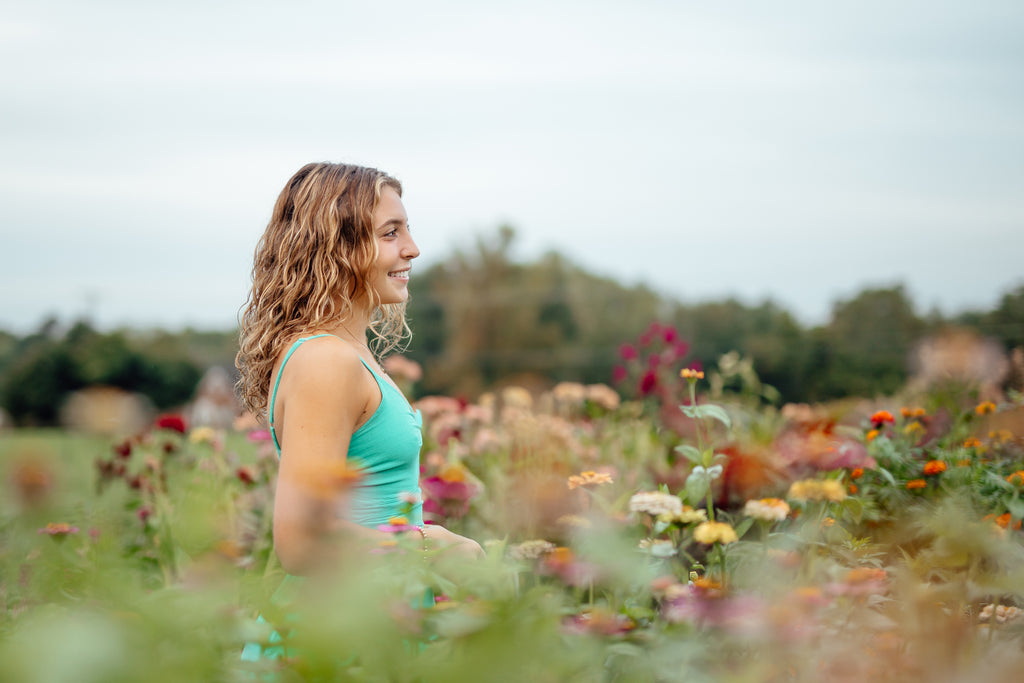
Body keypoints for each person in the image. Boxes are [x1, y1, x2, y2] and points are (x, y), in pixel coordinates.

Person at [235, 162, 482, 660]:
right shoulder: (326, 361)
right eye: (391, 233)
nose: (412, 248)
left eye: (407, 230)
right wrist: (432, 547)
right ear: (338, 248)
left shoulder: (349, 355)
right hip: (334, 640)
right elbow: (302, 541)